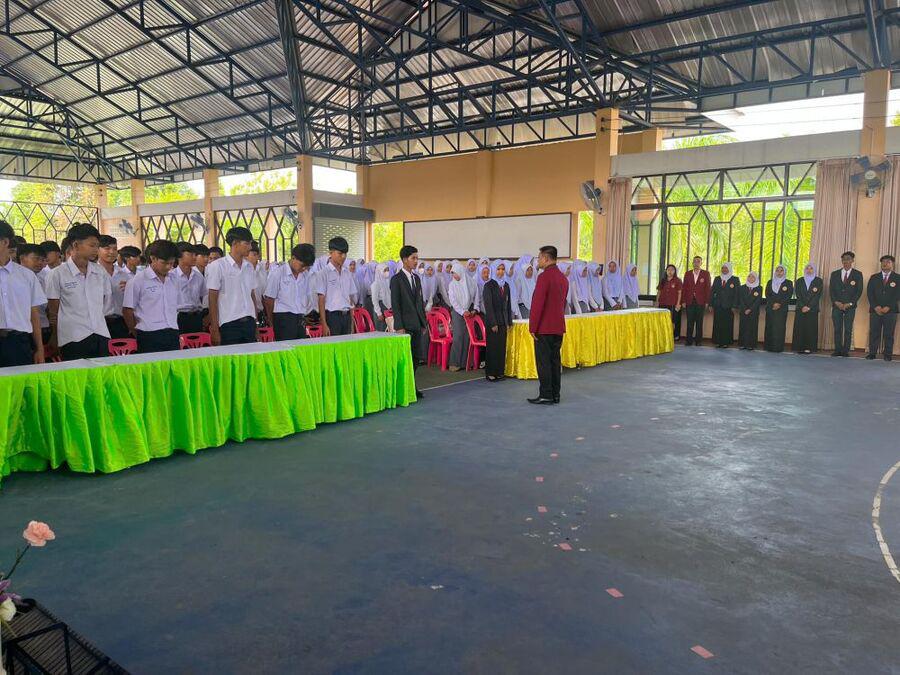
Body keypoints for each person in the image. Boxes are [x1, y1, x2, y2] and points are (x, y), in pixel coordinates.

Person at [45, 223, 112, 360]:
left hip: (100, 334)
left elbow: (105, 301)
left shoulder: (100, 272)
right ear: (75, 245)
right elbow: (53, 310)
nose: (96, 250)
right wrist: (55, 336)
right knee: (77, 373)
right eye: (92, 245)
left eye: (97, 246)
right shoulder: (57, 274)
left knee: (102, 373)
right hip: (73, 337)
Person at [122, 240, 180, 354]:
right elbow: (127, 310)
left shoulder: (174, 279)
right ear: (153, 258)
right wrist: (136, 331)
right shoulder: (137, 281)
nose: (169, 267)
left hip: (172, 332)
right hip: (149, 334)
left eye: (172, 263)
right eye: (165, 263)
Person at [0, 222, 46, 366]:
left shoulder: (26, 276)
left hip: (18, 343)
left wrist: (40, 348)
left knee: (21, 380)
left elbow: (34, 314)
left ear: (5, 242)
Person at [528, 245, 567, 405]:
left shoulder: (544, 277)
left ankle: (546, 394)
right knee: (554, 361)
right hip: (558, 326)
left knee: (543, 362)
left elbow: (538, 304)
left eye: (539, 258)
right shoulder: (563, 278)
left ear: (545, 258)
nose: (538, 261)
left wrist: (533, 326)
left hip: (544, 328)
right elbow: (563, 303)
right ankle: (555, 394)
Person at [205, 227, 258, 346]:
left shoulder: (249, 267)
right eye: (247, 243)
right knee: (232, 357)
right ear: (235, 243)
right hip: (229, 324)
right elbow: (212, 298)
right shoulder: (218, 266)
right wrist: (214, 329)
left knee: (250, 357)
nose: (250, 247)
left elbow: (252, 295)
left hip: (249, 322)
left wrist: (256, 324)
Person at [390, 245, 428, 398]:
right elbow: (395, 304)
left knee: (416, 357)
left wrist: (423, 322)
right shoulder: (396, 279)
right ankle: (404, 388)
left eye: (417, 258)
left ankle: (412, 386)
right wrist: (399, 326)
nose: (416, 261)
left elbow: (420, 302)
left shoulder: (416, 278)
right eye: (413, 258)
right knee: (406, 358)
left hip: (417, 323)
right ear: (405, 259)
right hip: (405, 324)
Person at [264, 243, 316, 341]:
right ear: (293, 258)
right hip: (283, 318)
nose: (304, 269)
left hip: (300, 318)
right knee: (286, 348)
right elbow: (269, 300)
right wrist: (271, 321)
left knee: (301, 347)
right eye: (302, 265)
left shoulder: (306, 275)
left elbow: (307, 297)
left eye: (307, 267)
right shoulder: (278, 274)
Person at [315, 236, 358, 336]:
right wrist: (324, 323)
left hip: (346, 316)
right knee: (333, 345)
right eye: (340, 253)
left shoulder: (347, 273)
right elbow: (321, 300)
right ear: (331, 252)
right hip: (332, 317)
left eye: (345, 254)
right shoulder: (323, 273)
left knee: (347, 345)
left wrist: (352, 323)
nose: (343, 256)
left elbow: (350, 299)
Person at [482, 259, 513, 382]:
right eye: (498, 269)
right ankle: (491, 373)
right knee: (493, 348)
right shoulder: (489, 285)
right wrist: (493, 323)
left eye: (502, 269)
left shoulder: (506, 285)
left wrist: (509, 321)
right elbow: (488, 306)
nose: (501, 272)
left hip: (503, 321)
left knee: (501, 348)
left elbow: (508, 304)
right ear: (494, 270)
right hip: (493, 322)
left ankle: (500, 372)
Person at [97, 234, 132, 339]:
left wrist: (130, 289)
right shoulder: (92, 273)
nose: (112, 252)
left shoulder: (124, 275)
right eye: (107, 248)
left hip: (121, 321)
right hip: (100, 322)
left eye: (115, 249)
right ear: (97, 250)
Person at [829, 251, 863, 357]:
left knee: (848, 329)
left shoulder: (857, 274)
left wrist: (850, 303)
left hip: (850, 307)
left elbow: (859, 291)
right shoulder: (834, 274)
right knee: (837, 329)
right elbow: (831, 290)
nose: (846, 261)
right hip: (837, 306)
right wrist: (836, 302)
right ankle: (837, 350)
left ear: (852, 260)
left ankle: (845, 351)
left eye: (848, 259)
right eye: (844, 259)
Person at [866, 254, 900, 361]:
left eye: (888, 262)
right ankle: (872, 353)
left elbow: (897, 295)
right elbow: (870, 293)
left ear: (892, 264)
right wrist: (875, 306)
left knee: (889, 333)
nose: (885, 264)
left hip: (891, 311)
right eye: (883, 262)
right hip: (875, 311)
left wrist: (888, 307)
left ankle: (888, 354)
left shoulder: (898, 278)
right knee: (874, 332)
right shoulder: (874, 277)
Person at [17, 243, 51, 347]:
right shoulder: (15, 280)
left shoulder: (43, 278)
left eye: (42, 260)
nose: (40, 263)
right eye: (36, 259)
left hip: (44, 327)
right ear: (22, 258)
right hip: (24, 331)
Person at [172, 242, 207, 334]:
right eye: (190, 254)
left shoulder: (198, 276)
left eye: (195, 254)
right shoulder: (171, 277)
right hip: (178, 318)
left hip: (196, 317)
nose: (194, 257)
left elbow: (201, 296)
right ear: (179, 256)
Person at [792, 262, 823, 354]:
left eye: (811, 268)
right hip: (800, 309)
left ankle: (810, 347)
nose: (809, 270)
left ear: (814, 270)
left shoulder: (818, 281)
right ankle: (799, 347)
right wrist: (803, 306)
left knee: (811, 329)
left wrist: (809, 307)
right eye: (807, 268)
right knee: (800, 328)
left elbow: (817, 296)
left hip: (812, 309)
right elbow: (798, 295)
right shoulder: (799, 281)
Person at [447, 262, 472, 371]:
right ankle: (454, 363)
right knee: (458, 337)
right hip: (457, 312)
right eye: (452, 273)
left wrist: (473, 308)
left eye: (455, 273)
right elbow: (453, 301)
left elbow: (475, 296)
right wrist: (462, 312)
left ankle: (464, 363)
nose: (454, 276)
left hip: (468, 312)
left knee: (467, 337)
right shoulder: (452, 285)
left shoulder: (469, 282)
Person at [681, 256, 710, 346]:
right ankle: (688, 340)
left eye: (698, 261)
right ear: (692, 263)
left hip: (701, 302)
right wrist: (683, 301)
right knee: (690, 322)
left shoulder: (706, 274)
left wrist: (707, 302)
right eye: (695, 261)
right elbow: (684, 288)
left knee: (699, 322)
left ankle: (698, 341)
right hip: (689, 301)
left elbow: (708, 288)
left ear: (701, 263)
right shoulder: (688, 273)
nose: (696, 263)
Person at [709, 262, 739, 348]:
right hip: (718, 306)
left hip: (729, 307)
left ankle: (726, 342)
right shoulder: (717, 279)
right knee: (718, 323)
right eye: (723, 268)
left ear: (729, 269)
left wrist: (734, 306)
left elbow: (737, 294)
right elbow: (712, 292)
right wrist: (711, 304)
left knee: (727, 325)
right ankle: (718, 341)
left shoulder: (735, 279)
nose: (724, 270)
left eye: (726, 268)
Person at [764, 264, 793, 353]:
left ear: (784, 272)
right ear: (775, 272)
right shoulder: (770, 282)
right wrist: (773, 304)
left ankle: (778, 347)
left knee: (779, 328)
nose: (779, 272)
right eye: (777, 271)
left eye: (781, 271)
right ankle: (768, 347)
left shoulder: (788, 283)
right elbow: (767, 294)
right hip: (771, 308)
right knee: (770, 326)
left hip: (782, 309)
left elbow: (788, 295)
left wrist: (779, 304)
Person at [656, 264, 682, 340]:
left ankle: (673, 336)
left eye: (672, 270)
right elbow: (659, 292)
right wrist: (657, 301)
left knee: (673, 321)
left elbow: (680, 293)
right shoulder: (663, 280)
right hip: (663, 303)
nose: (670, 271)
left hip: (673, 304)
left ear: (675, 271)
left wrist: (678, 303)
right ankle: (664, 336)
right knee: (663, 320)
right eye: (668, 270)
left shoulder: (678, 280)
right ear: (666, 271)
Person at [738, 271, 762, 350]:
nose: (750, 278)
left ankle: (751, 345)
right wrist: (745, 309)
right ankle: (742, 344)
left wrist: (750, 309)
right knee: (743, 327)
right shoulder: (742, 287)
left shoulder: (759, 288)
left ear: (756, 278)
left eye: (753, 277)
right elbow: (740, 299)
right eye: (749, 276)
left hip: (753, 312)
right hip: (743, 311)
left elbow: (758, 300)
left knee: (752, 328)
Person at [247, 241, 268, 323]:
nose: (256, 257)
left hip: (260, 311)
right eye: (254, 254)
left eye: (257, 254)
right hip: (247, 313)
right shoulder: (243, 271)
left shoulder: (262, 270)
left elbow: (264, 294)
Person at [370, 262, 393, 331]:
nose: (387, 272)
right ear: (379, 271)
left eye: (387, 270)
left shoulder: (387, 282)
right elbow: (374, 300)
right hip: (380, 307)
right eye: (385, 270)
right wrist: (379, 313)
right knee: (381, 330)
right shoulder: (375, 284)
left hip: (387, 307)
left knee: (388, 329)